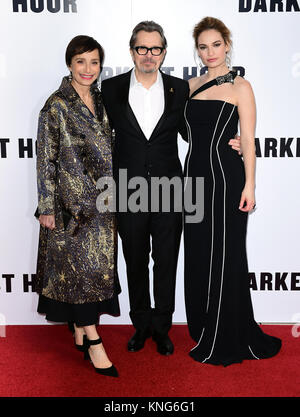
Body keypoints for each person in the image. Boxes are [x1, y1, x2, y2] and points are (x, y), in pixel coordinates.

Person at [102, 21, 241, 356]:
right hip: (128, 188)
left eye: (156, 49)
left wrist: (232, 141)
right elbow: (97, 136)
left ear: (164, 52)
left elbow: (196, 130)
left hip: (170, 188)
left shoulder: (180, 89)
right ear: (132, 50)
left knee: (166, 261)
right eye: (142, 48)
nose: (149, 55)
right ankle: (142, 325)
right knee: (135, 261)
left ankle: (162, 327)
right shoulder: (111, 89)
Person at [183, 17, 281, 366]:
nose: (210, 52)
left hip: (226, 179)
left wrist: (250, 184)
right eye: (203, 46)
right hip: (192, 180)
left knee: (226, 254)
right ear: (198, 49)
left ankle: (226, 332)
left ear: (227, 44)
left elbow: (249, 141)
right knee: (197, 252)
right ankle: (202, 323)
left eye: (216, 44)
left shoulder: (242, 86)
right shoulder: (189, 85)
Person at [35, 35, 120, 377]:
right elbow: (45, 160)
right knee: (80, 275)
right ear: (69, 63)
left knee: (92, 276)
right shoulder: (56, 104)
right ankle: (94, 342)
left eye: (94, 62)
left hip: (103, 204)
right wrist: (46, 207)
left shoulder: (102, 100)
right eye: (81, 61)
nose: (88, 69)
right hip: (70, 208)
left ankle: (81, 331)